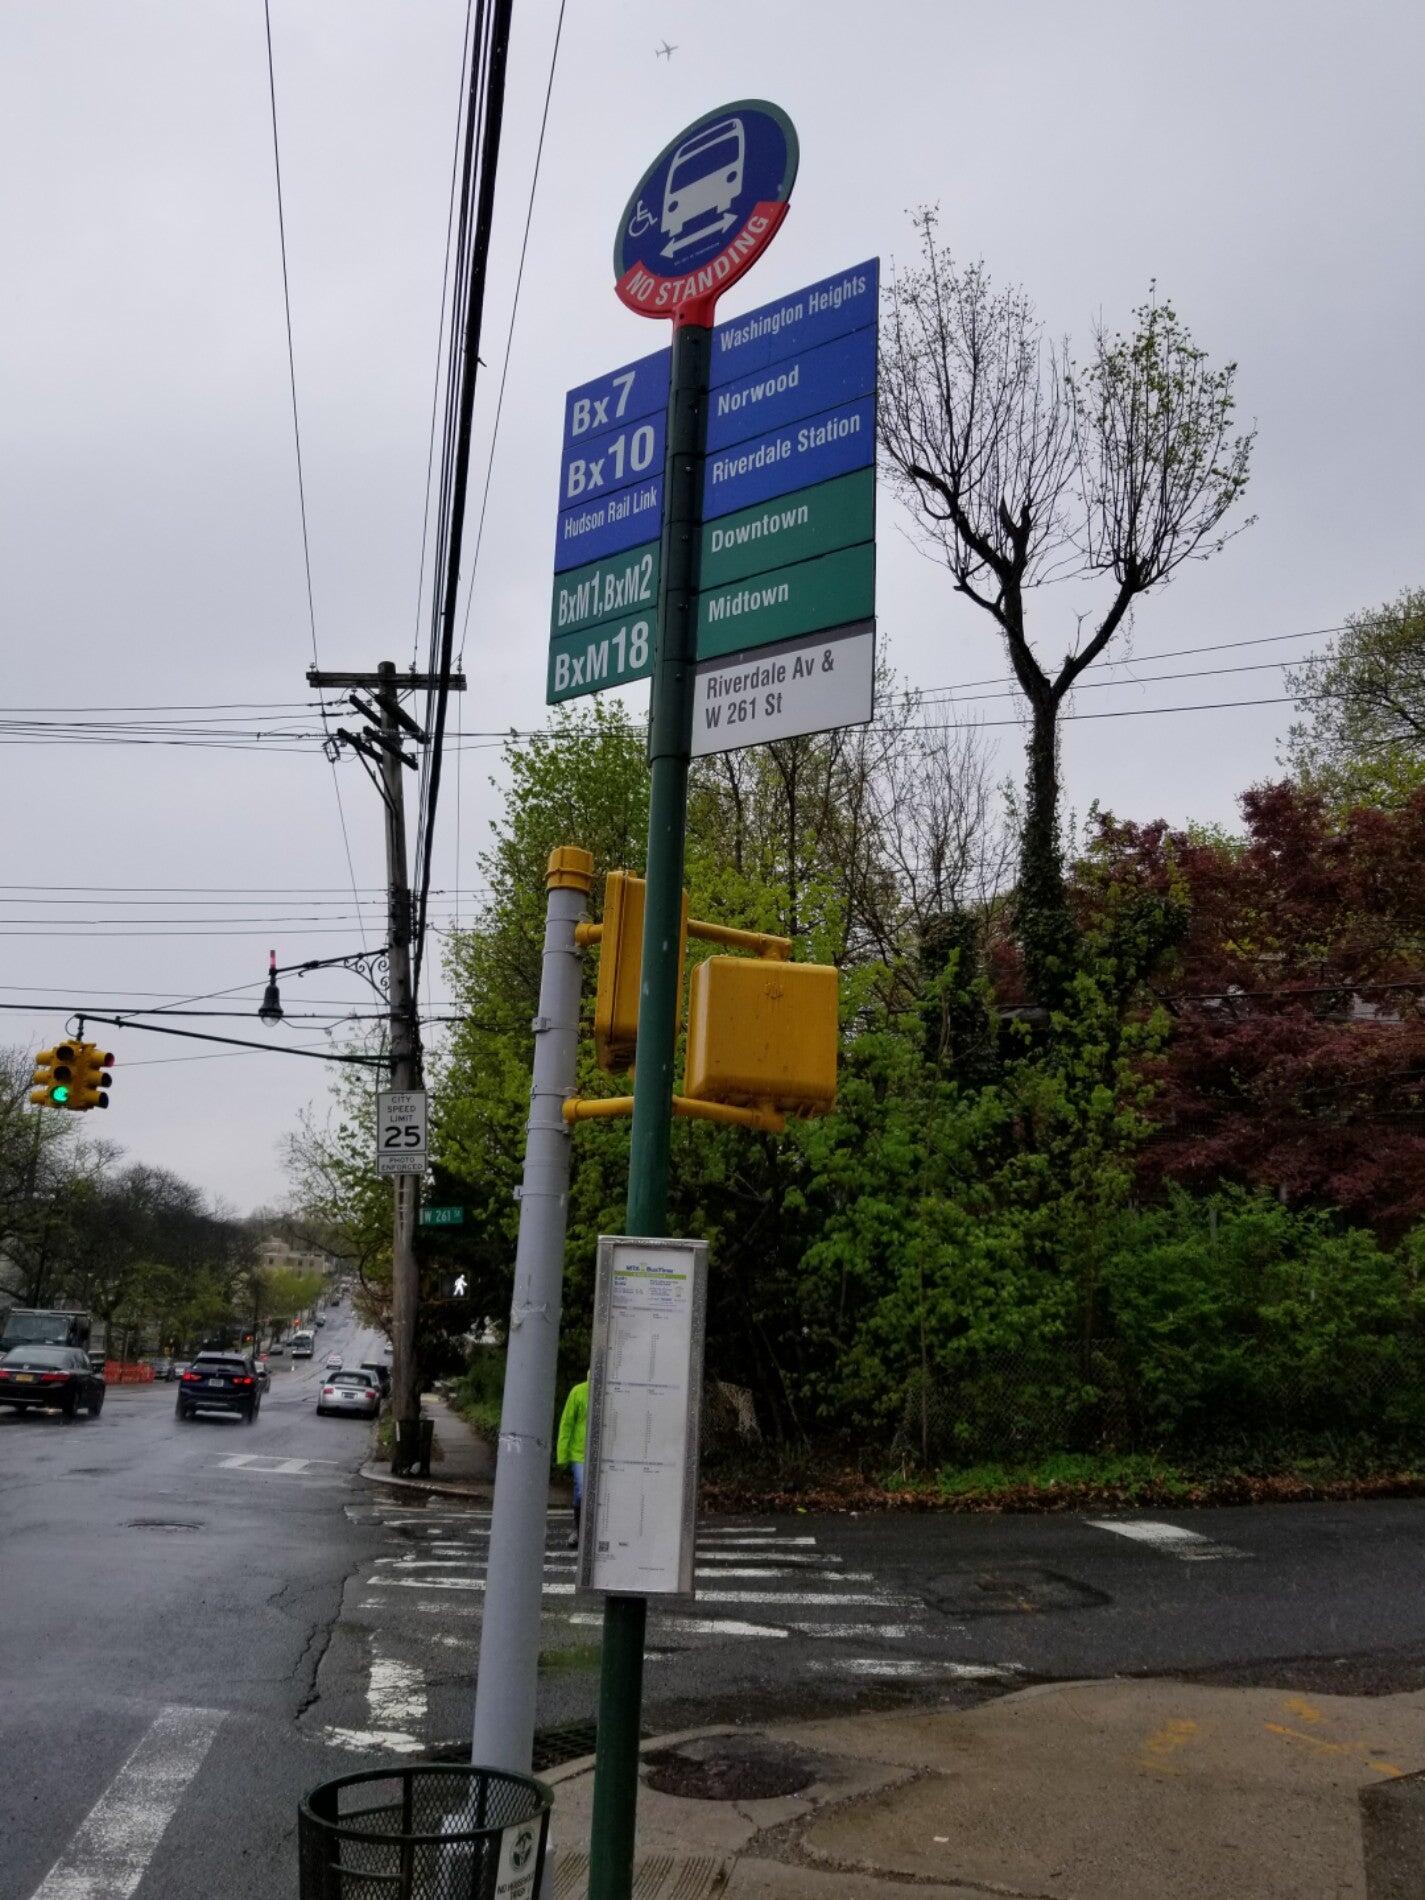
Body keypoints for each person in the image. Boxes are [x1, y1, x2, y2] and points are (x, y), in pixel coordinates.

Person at [556, 1378, 588, 1552]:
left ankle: (584, 1530)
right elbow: (567, 1423)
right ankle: (578, 1530)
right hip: (580, 1454)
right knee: (583, 1489)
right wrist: (563, 1453)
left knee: (582, 1491)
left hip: (600, 1454)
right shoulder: (579, 1391)